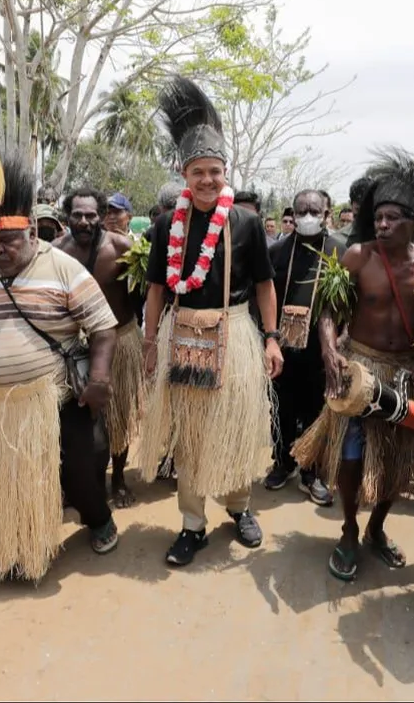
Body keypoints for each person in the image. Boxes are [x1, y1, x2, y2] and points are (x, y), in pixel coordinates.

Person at [0, 131, 119, 584]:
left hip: (56, 396)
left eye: (7, 241)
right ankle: (7, 548)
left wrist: (100, 378)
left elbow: (103, 328)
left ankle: (98, 518)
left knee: (82, 467)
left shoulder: (63, 267)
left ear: (29, 231)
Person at [140, 76, 283, 567]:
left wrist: (271, 339)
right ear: (185, 174)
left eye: (215, 172)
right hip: (181, 332)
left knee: (234, 426)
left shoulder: (244, 223)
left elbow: (265, 285)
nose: (207, 180)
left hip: (237, 331)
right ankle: (192, 524)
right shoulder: (166, 225)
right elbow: (157, 287)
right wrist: (147, 341)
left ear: (226, 173)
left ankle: (240, 509)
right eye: (198, 172)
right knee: (192, 433)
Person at [292, 150, 414, 584]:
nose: (382, 224)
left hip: (404, 375)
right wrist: (329, 351)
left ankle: (376, 528)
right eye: (378, 217)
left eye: (392, 218)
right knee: (352, 457)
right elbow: (327, 311)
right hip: (359, 372)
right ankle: (350, 530)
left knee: (396, 463)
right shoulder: (357, 256)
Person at [55, 188, 143, 507]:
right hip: (75, 346)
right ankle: (80, 482)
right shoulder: (55, 252)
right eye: (77, 214)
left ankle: (117, 479)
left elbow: (142, 293)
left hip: (121, 340)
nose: (84, 221)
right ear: (68, 216)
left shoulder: (123, 247)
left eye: (91, 215)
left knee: (118, 415)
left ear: (101, 216)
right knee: (76, 419)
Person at [265, 190, 342, 505]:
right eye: (301, 211)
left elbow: (348, 307)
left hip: (319, 352)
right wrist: (267, 339)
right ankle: (283, 462)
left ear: (326, 214)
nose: (307, 216)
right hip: (283, 348)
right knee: (280, 409)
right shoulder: (279, 251)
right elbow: (265, 298)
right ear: (293, 216)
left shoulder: (340, 252)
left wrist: (339, 346)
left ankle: (311, 471)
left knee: (315, 411)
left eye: (314, 210)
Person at [333, 177, 372, 247]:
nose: (364, 215)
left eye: (368, 210)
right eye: (358, 209)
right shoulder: (337, 240)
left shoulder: (389, 237)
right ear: (351, 204)